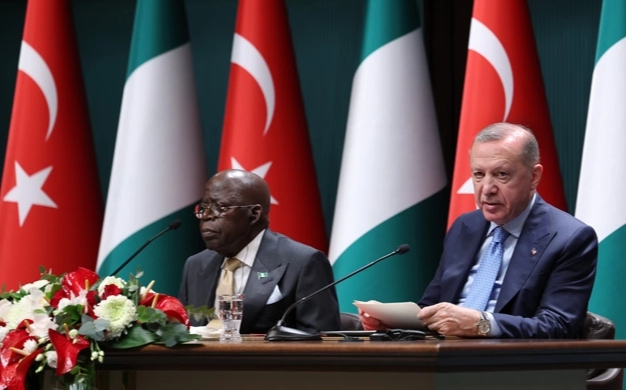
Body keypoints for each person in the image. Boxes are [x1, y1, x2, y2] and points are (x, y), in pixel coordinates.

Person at [359, 123, 597, 338]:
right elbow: (432, 305)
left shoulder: (569, 238)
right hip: (445, 357)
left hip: (511, 364)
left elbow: (557, 326)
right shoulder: (466, 226)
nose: (487, 189)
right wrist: (394, 322)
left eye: (501, 175)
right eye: (479, 175)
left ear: (534, 177)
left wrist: (481, 324)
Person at [179, 169, 341, 334]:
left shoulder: (303, 262)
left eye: (219, 207)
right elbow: (183, 331)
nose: (206, 216)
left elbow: (322, 339)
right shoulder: (196, 265)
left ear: (254, 214)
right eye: (204, 207)